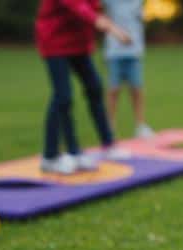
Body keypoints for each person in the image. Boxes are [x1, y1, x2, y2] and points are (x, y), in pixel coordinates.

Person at [35, 0, 131, 174]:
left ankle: (108, 145)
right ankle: (52, 157)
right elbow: (79, 7)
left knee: (94, 88)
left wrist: (103, 20)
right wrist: (113, 29)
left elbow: (93, 7)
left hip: (78, 44)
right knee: (62, 97)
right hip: (54, 42)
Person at [104, 0, 155, 139]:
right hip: (114, 51)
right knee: (113, 90)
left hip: (134, 50)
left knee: (137, 89)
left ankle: (140, 126)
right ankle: (109, 127)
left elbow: (143, 16)